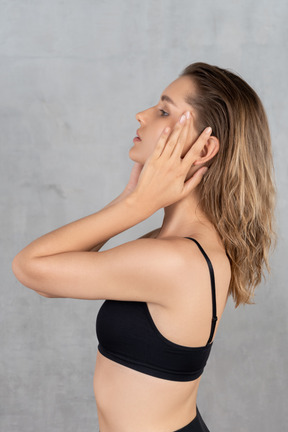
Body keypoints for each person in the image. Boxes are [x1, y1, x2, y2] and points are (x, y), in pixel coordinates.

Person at [12, 62, 276, 432]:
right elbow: (58, 274)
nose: (141, 115)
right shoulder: (165, 245)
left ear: (204, 148)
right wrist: (129, 200)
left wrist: (135, 206)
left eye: (164, 110)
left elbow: (31, 268)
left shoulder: (176, 260)